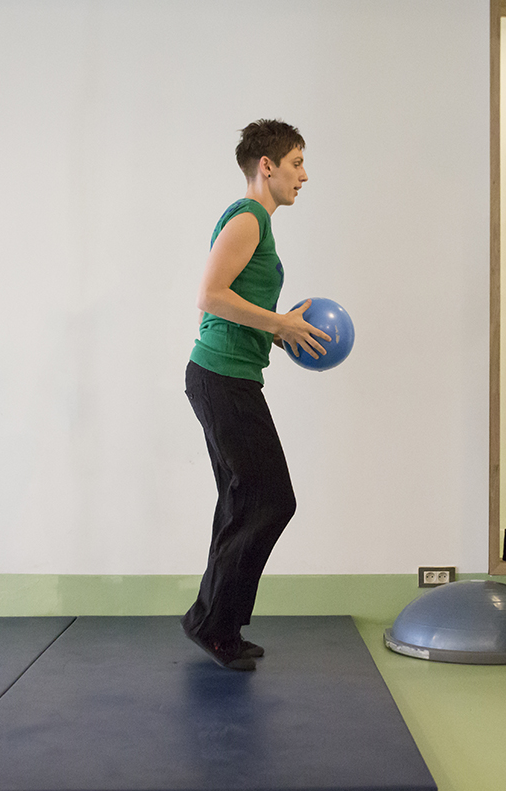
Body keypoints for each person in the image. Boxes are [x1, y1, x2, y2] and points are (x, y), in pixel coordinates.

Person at [182, 119, 328, 670]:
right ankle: (216, 626)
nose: (304, 175)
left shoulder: (256, 223)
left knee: (245, 500)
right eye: (296, 163)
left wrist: (278, 323)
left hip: (229, 378)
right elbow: (210, 296)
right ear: (266, 167)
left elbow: (232, 298)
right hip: (221, 378)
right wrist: (279, 326)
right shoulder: (248, 219)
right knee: (271, 500)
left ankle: (212, 622)